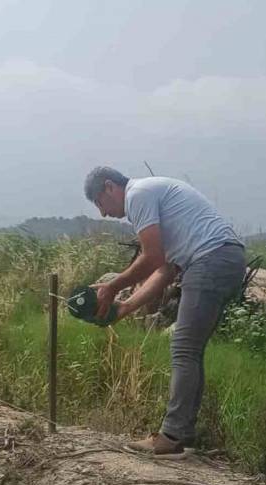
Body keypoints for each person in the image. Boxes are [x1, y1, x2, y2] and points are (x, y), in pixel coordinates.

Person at [83, 166, 246, 456]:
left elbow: (152, 256)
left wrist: (112, 286)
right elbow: (164, 269)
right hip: (224, 258)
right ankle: (183, 434)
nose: (103, 214)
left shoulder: (138, 195)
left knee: (183, 349)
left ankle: (171, 437)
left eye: (99, 203)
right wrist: (125, 306)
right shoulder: (151, 194)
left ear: (110, 187)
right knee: (190, 351)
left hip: (210, 260)